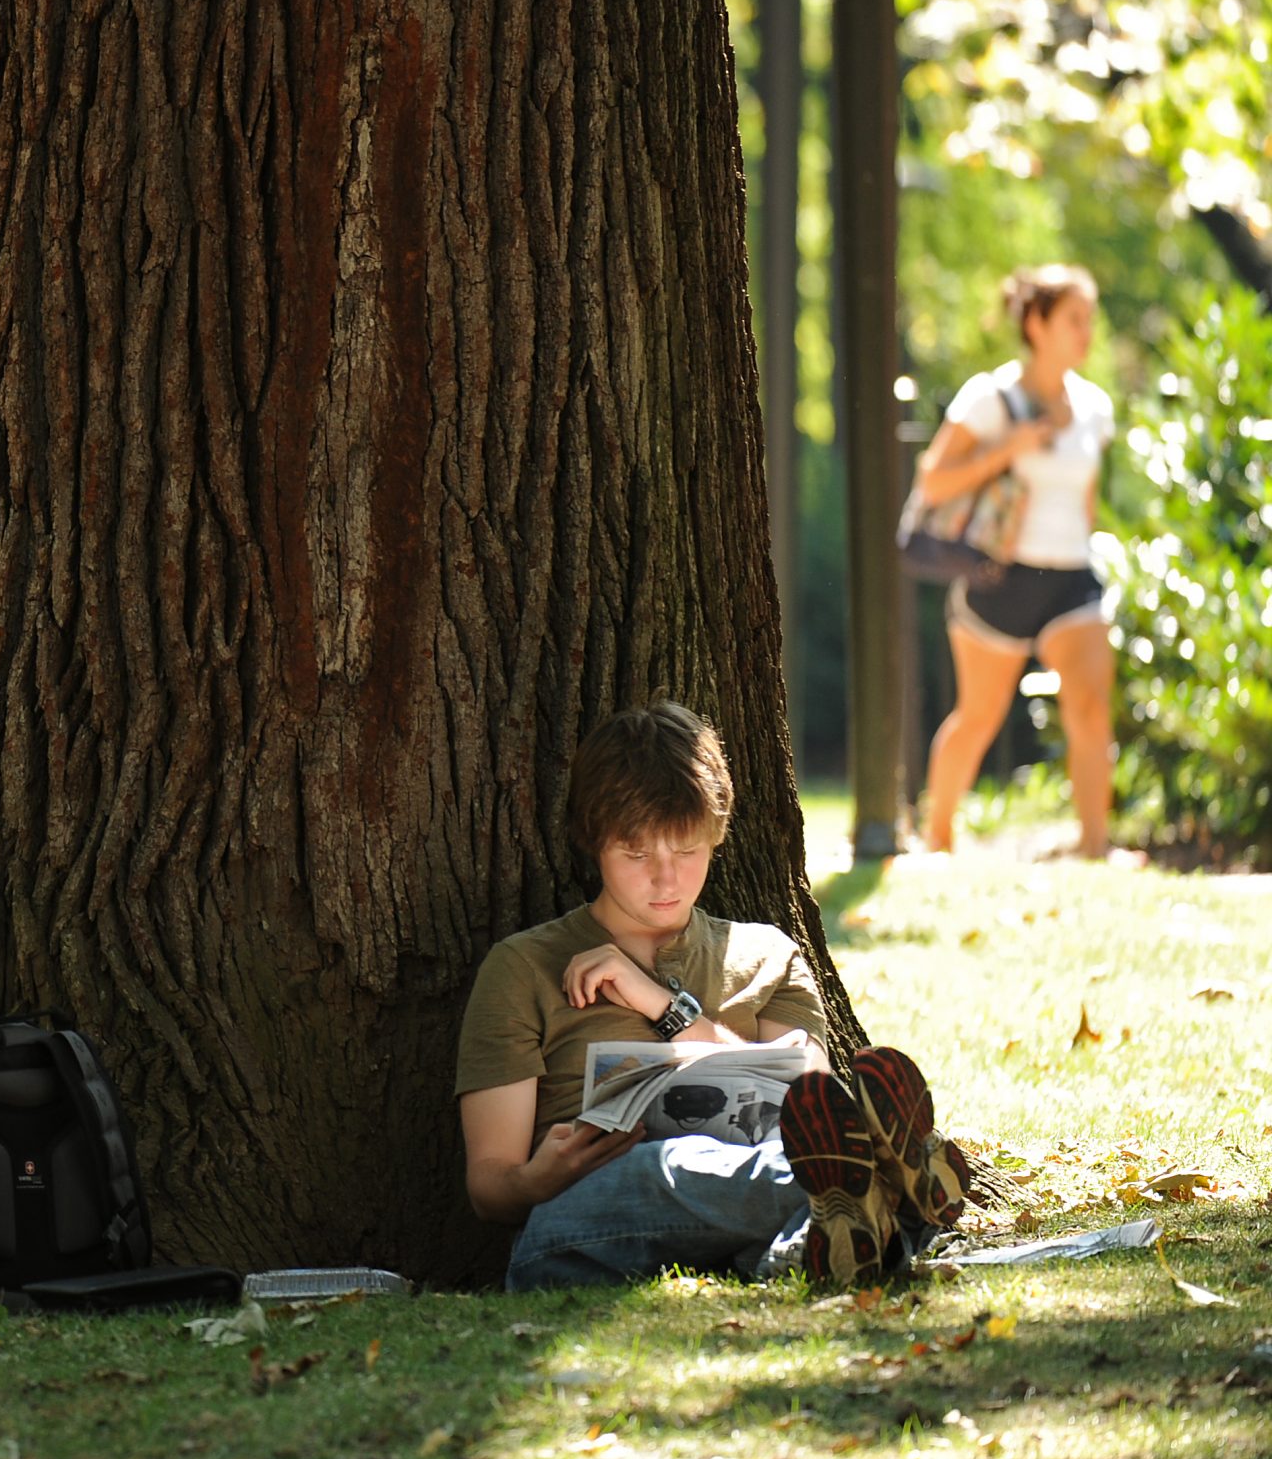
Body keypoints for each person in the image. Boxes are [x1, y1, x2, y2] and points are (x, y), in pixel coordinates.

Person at [456, 702, 971, 1290]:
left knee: (802, 1157)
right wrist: (537, 1180)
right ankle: (893, 1195)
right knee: (664, 1165)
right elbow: (489, 1187)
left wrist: (661, 1005)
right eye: (637, 854)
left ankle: (824, 1243)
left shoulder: (767, 956)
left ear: (716, 836)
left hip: (747, 1212)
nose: (666, 879)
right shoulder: (523, 968)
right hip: (577, 1226)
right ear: (593, 842)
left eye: (686, 851)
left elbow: (807, 1105)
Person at [916, 264, 1118, 859]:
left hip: (1072, 579)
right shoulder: (990, 397)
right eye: (1075, 319)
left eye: (1091, 319)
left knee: (1088, 704)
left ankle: (1096, 848)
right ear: (1037, 322)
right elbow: (932, 481)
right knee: (979, 716)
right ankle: (938, 839)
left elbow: (1087, 499)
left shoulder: (1094, 407)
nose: (1088, 332)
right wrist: (1011, 445)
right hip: (1000, 578)